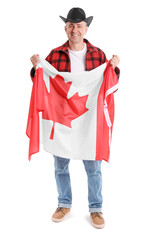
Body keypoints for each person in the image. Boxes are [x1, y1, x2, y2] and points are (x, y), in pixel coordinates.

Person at [30, 7, 120, 229]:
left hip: (89, 119)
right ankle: (64, 203)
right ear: (66, 28)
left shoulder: (98, 55)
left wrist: (114, 69)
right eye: (71, 25)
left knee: (93, 166)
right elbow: (44, 85)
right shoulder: (55, 54)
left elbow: (109, 86)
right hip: (62, 119)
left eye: (79, 25)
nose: (75, 30)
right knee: (60, 163)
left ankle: (96, 208)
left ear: (86, 28)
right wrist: (36, 69)